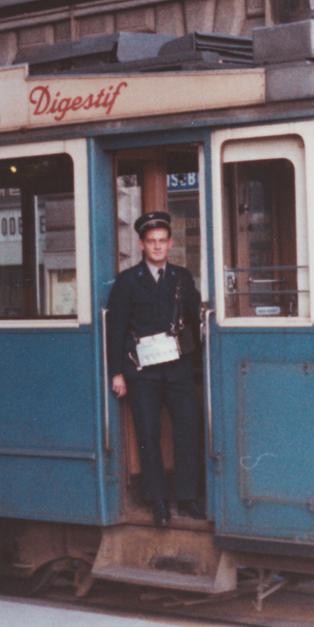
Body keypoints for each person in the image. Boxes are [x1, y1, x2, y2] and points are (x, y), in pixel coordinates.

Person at [106, 211, 204, 527]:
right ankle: (158, 501)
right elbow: (115, 330)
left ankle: (187, 497)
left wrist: (199, 362)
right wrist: (117, 373)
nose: (158, 246)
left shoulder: (182, 278)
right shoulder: (127, 281)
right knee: (148, 435)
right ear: (141, 245)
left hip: (178, 368)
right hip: (142, 371)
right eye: (152, 241)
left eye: (162, 241)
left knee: (188, 428)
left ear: (171, 243)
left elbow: (195, 319)